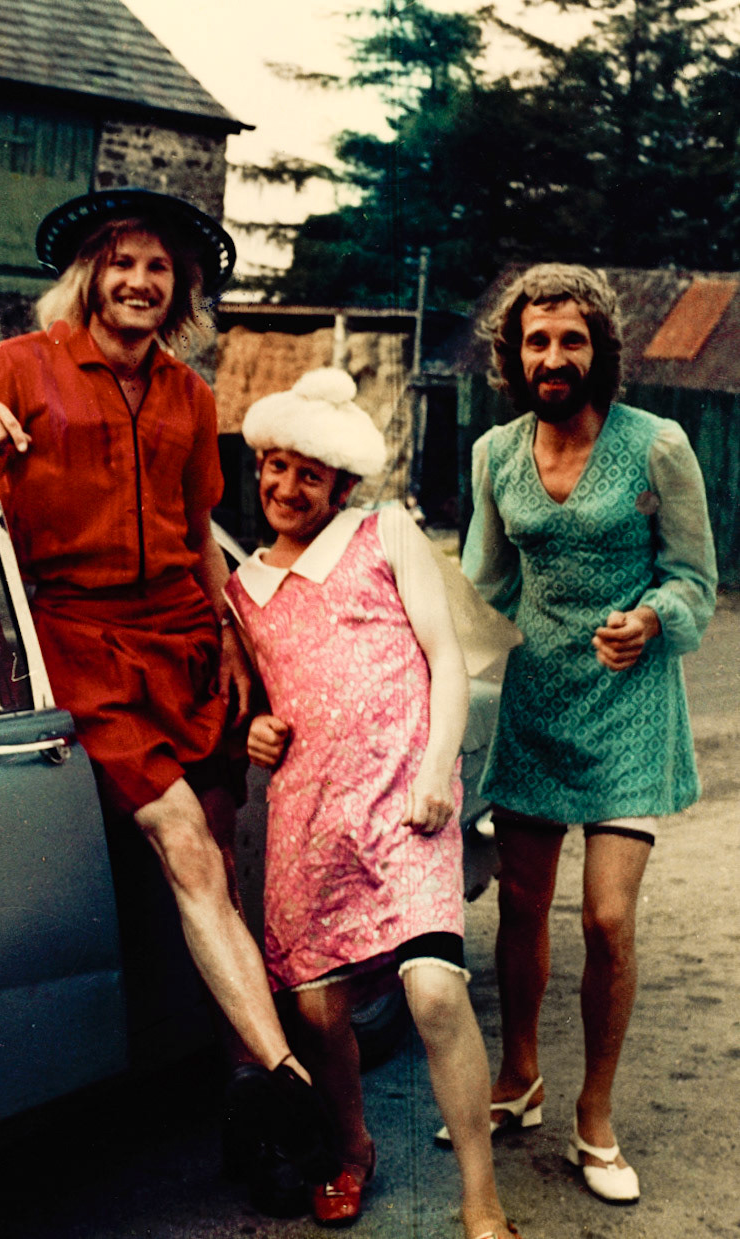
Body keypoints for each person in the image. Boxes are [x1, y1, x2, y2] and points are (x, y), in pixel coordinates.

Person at [0, 187, 334, 1191]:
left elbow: (199, 535)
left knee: (219, 870)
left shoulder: (192, 393)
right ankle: (294, 1082)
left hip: (187, 645)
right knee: (188, 847)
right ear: (91, 277)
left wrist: (235, 633)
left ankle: (252, 1113)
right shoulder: (20, 367)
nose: (142, 282)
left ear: (178, 290)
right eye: (125, 264)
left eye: (160, 268)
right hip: (81, 644)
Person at [224, 367, 524, 1239]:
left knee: (432, 992)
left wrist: (438, 769)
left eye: (307, 474)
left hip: (406, 804)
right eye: (273, 468)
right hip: (311, 821)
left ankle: (480, 1199)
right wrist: (256, 733)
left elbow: (444, 658)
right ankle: (351, 1148)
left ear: (341, 484)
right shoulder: (243, 589)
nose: (285, 488)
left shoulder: (382, 532)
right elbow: (259, 704)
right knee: (322, 1013)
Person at [445, 262, 717, 1204]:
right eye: (535, 340)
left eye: (570, 339)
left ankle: (594, 1115)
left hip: (630, 704)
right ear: (513, 354)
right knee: (518, 907)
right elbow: (482, 585)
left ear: (599, 348)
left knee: (605, 916)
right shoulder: (494, 454)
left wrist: (650, 619)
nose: (552, 356)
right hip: (535, 702)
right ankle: (518, 1074)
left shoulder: (658, 446)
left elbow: (694, 579)